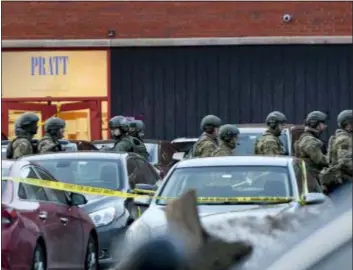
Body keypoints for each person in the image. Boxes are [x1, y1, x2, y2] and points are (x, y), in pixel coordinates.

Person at [294, 111, 329, 186]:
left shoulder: (308, 137)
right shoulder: (309, 140)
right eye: (322, 123)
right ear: (315, 124)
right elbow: (320, 160)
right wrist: (334, 161)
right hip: (312, 179)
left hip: (311, 177)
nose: (325, 126)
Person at [322, 110, 352, 193]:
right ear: (348, 124)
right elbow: (345, 163)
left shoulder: (339, 137)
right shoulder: (344, 140)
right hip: (344, 181)